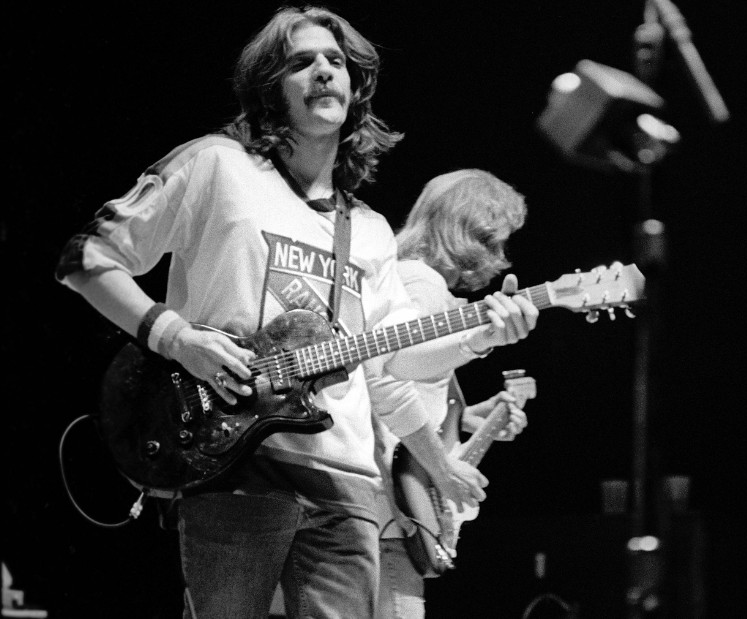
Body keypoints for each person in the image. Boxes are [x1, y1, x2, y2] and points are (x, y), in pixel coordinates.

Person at [54, 6, 538, 618]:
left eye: (335, 61)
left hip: (347, 484)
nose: (323, 71)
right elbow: (87, 259)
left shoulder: (369, 230)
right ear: (269, 87)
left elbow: (392, 365)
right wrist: (175, 338)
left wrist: (479, 336)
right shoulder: (217, 166)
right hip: (237, 464)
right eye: (301, 62)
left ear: (356, 89)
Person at [375, 169, 533, 618]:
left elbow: (410, 378)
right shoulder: (422, 282)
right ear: (466, 231)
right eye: (494, 242)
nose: (500, 259)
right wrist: (442, 468)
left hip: (387, 508)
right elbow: (390, 371)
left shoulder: (410, 278)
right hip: (391, 507)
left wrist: (466, 416)